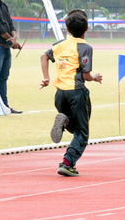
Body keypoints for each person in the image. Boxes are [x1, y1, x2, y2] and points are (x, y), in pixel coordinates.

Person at [39, 10, 103, 176]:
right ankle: (67, 163)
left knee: (76, 127)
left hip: (60, 94)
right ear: (87, 28)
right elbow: (86, 75)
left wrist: (46, 78)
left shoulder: (59, 45)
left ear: (67, 29)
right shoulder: (85, 47)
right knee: (82, 132)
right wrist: (95, 77)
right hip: (76, 92)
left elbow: (44, 57)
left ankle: (66, 121)